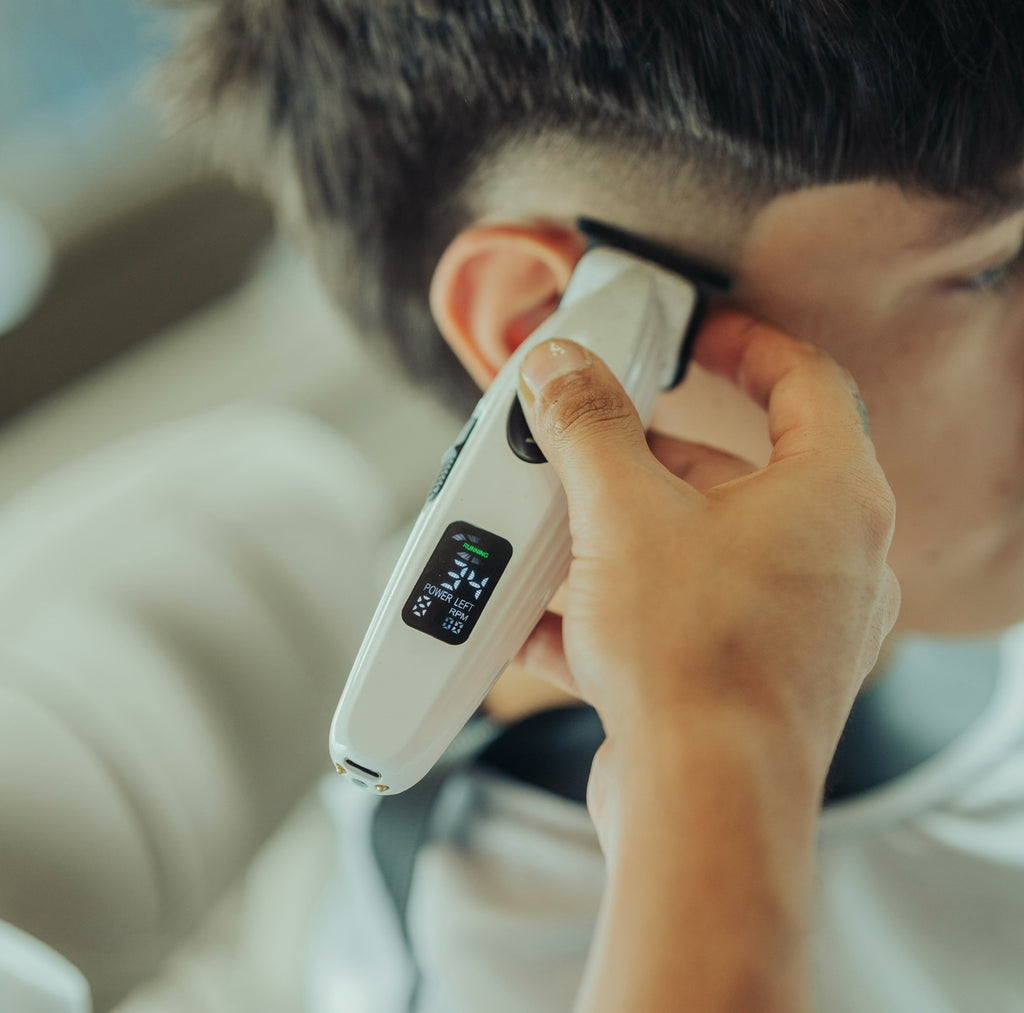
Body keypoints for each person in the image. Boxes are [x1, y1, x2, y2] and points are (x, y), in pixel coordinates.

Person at [156, 2, 1024, 1010]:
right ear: (552, 336)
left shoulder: (964, 570)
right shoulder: (510, 936)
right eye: (992, 266)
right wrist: (715, 760)